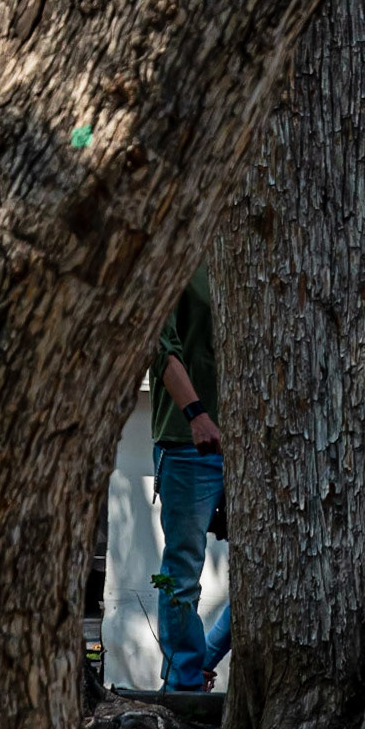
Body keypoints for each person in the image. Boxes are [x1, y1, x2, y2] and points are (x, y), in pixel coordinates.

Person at [150, 265, 232, 692]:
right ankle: (184, 685)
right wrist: (196, 414)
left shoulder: (247, 250)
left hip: (253, 445)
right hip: (190, 442)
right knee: (182, 572)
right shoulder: (176, 256)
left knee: (276, 568)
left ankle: (201, 662)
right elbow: (159, 345)